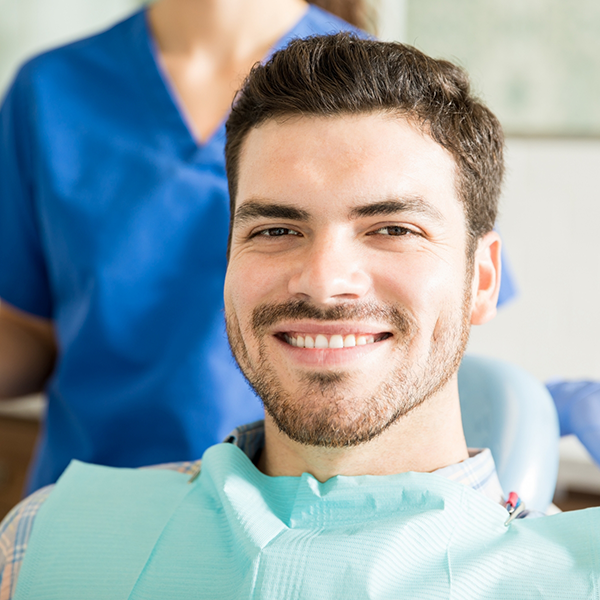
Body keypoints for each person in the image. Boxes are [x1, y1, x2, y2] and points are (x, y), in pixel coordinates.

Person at [1, 34, 598, 599]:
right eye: (277, 229)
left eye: (393, 229)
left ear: (483, 279)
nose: (323, 280)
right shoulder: (44, 539)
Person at [0, 0, 370, 494]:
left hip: (294, 506)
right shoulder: (49, 90)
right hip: (90, 499)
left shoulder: (377, 87)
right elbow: (32, 330)